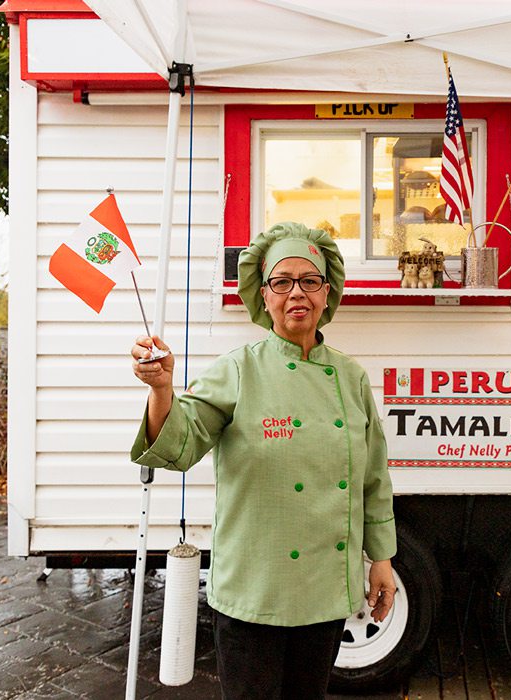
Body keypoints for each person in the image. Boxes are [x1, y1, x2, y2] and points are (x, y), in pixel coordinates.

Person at [130, 222, 397, 699]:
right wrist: (162, 388)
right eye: (282, 282)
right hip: (254, 592)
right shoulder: (239, 369)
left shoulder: (351, 377)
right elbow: (180, 442)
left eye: (309, 281)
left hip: (324, 591)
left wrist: (382, 559)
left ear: (327, 292)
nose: (297, 293)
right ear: (264, 294)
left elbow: (373, 476)